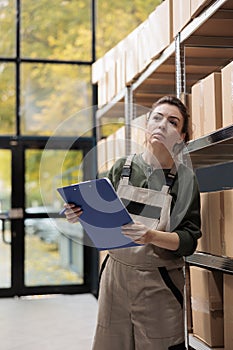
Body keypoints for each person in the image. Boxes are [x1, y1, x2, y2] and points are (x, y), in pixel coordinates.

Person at [64, 96, 202, 350]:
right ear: (147, 125)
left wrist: (152, 237)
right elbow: (102, 216)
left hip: (158, 281)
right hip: (116, 278)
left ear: (182, 136)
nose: (162, 125)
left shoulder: (185, 180)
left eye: (173, 122)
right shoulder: (121, 168)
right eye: (157, 118)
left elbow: (189, 240)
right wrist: (78, 213)